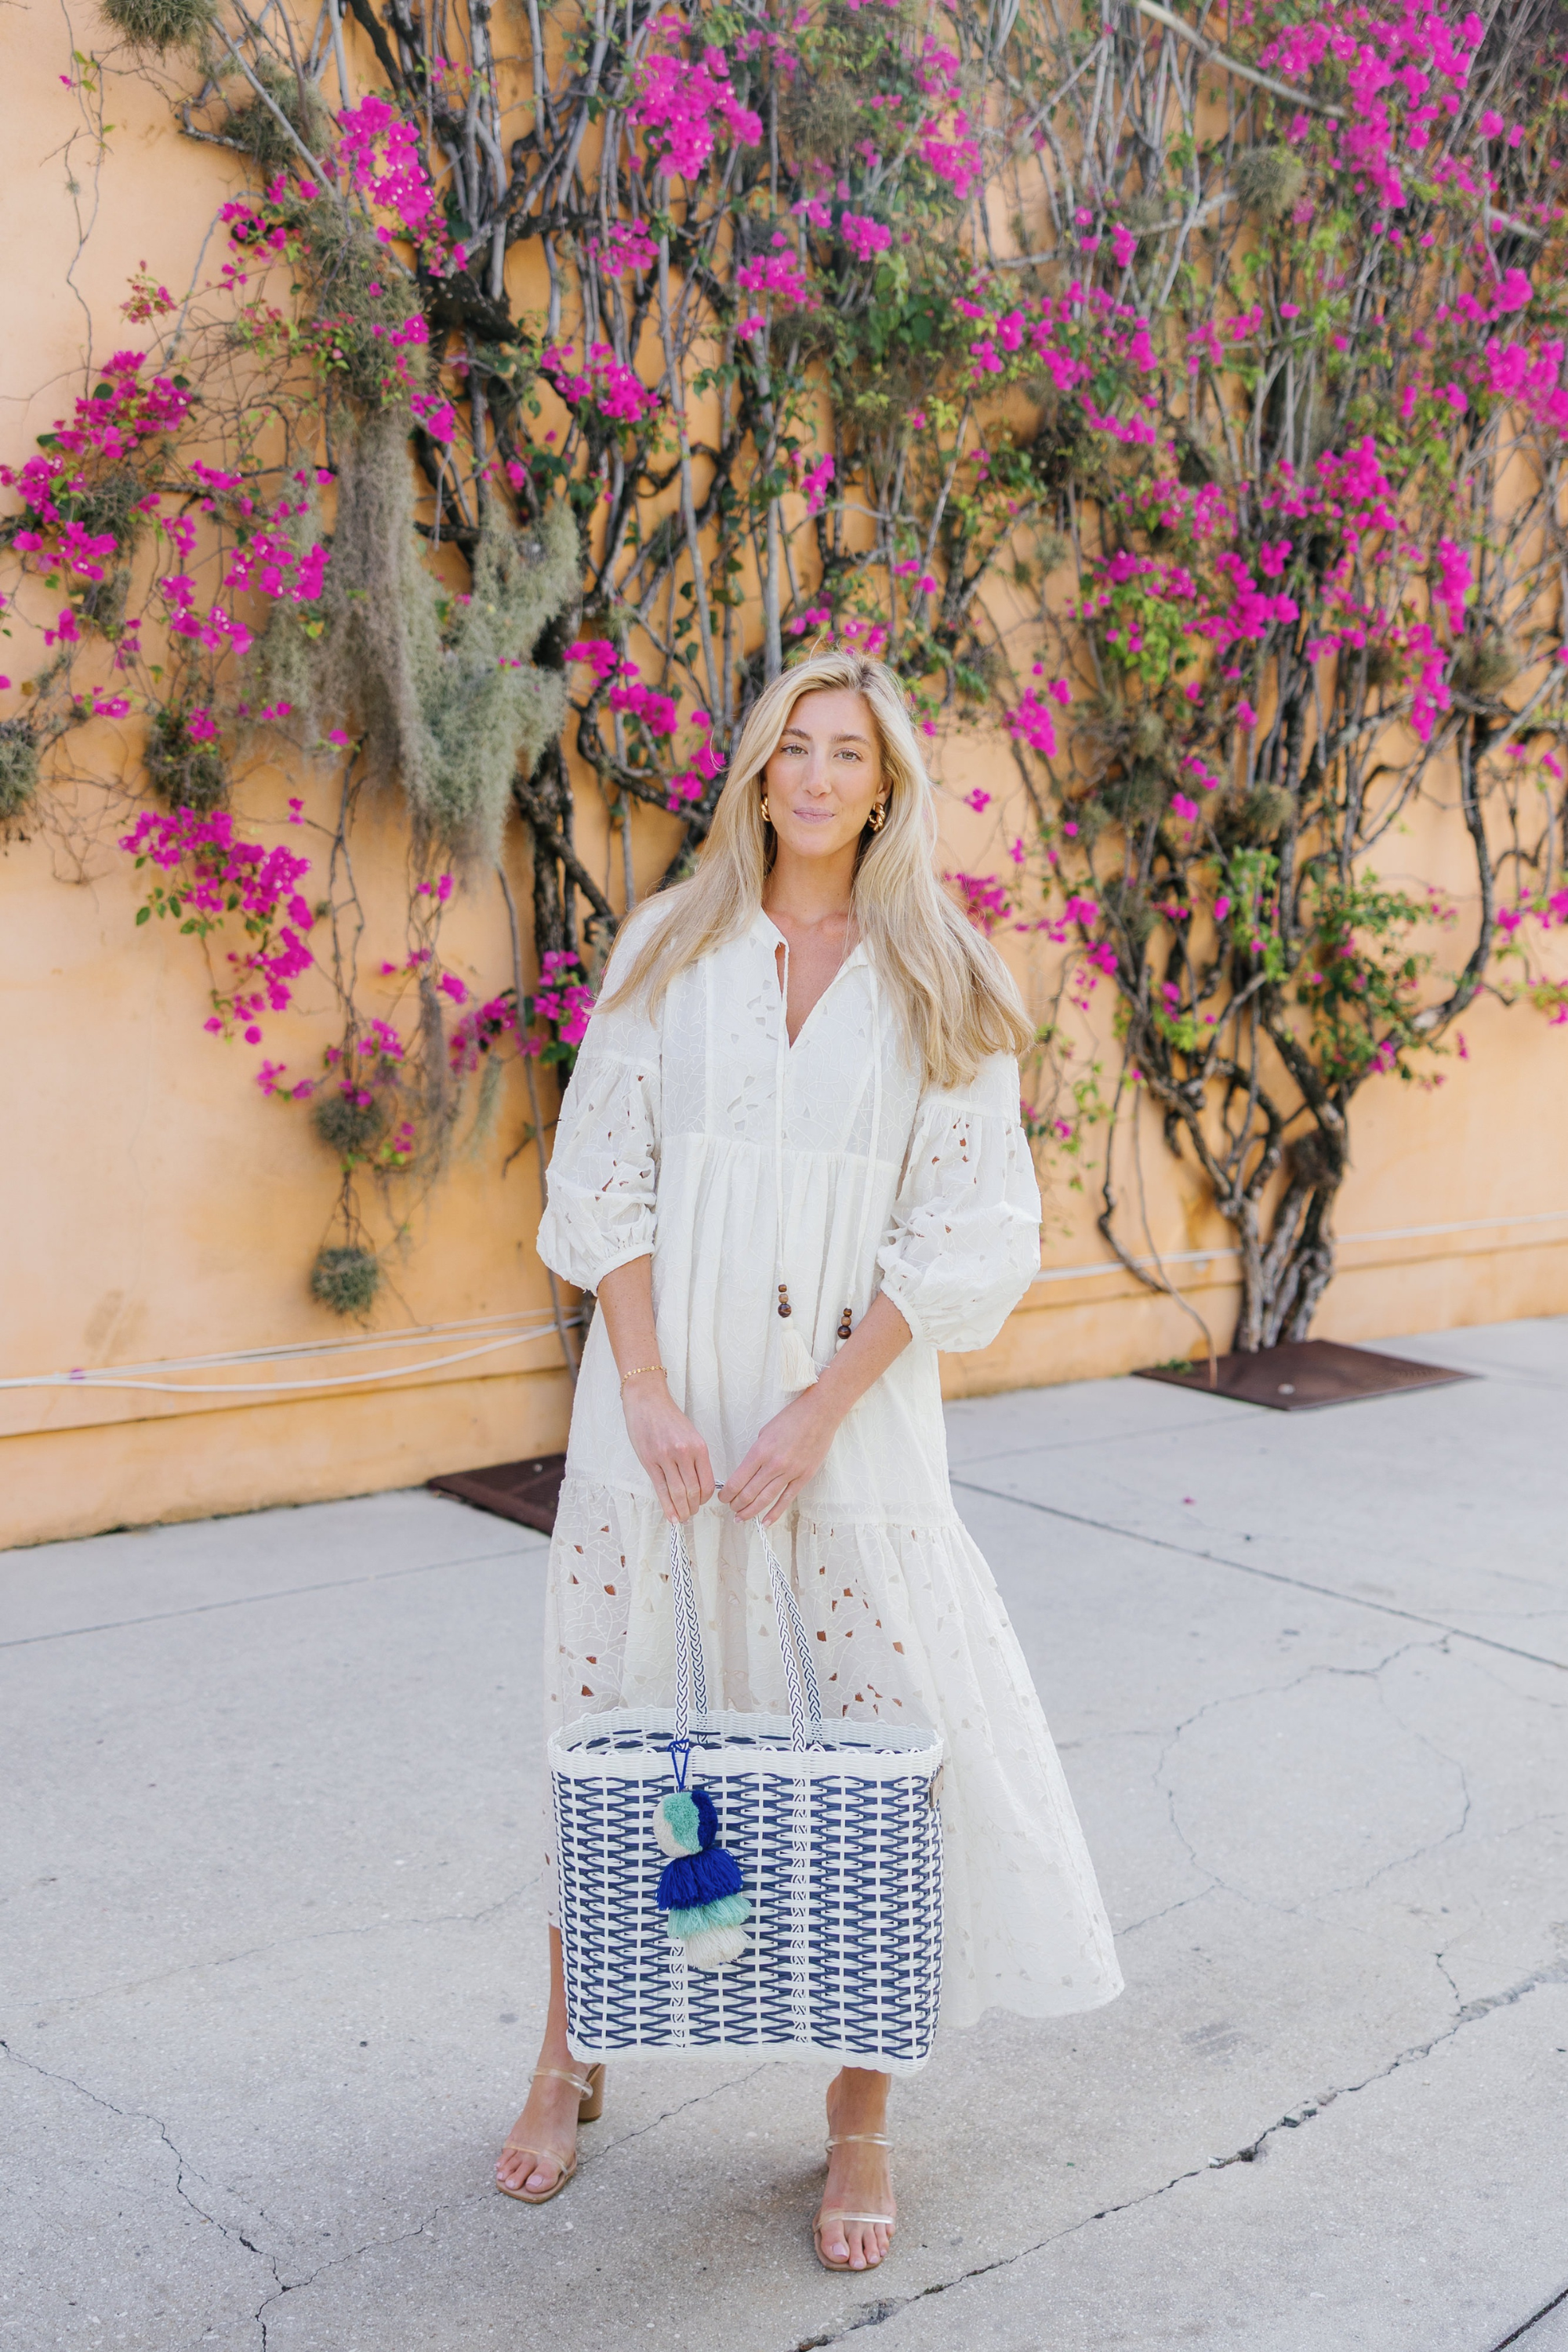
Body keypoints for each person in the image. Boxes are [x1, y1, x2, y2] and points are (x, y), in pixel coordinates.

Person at [497, 650, 1122, 2269]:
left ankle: (858, 2124)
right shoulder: (668, 943)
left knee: (871, 1755)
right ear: (758, 774)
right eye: (794, 746)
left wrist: (815, 1414)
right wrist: (645, 1391)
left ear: (888, 783)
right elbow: (604, 1178)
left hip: (846, 1422)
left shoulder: (944, 975)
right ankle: (570, 2055)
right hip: (661, 1413)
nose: (819, 775)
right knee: (615, 1728)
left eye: (849, 751)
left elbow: (966, 1230)